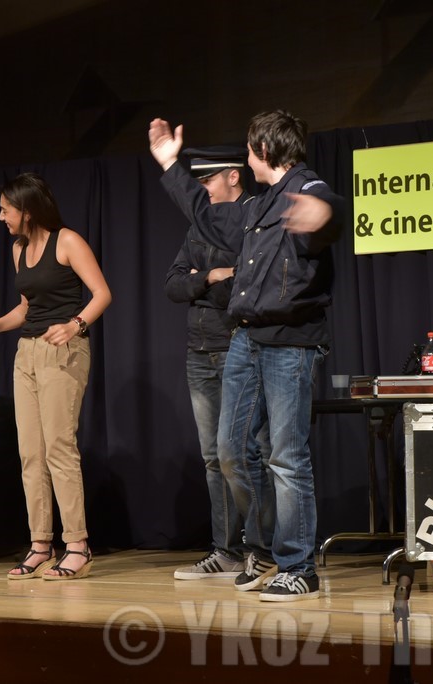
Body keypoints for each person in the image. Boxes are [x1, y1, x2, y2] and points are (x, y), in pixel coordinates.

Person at [150, 111, 343, 601]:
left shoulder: (306, 188)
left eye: (250, 148)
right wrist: (171, 165)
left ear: (265, 149)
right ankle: (262, 550)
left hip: (290, 342)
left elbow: (332, 207)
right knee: (233, 452)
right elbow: (205, 213)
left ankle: (298, 565)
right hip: (246, 339)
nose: (247, 154)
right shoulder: (258, 206)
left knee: (286, 456)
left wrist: (325, 216)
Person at [0, 172, 112, 581]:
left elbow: (102, 293)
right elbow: (26, 308)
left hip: (64, 351)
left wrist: (75, 325)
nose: (1, 217)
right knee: (30, 454)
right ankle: (40, 544)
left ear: (27, 210)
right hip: (27, 353)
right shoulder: (19, 250)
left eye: (6, 210)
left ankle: (77, 545)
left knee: (59, 447)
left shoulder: (67, 241)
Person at [164, 146, 256, 581]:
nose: (201, 190)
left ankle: (261, 547)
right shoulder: (198, 229)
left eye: (207, 180)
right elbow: (173, 285)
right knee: (211, 458)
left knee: (240, 454)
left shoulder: (252, 218)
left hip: (238, 347)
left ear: (233, 177)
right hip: (198, 353)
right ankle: (227, 551)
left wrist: (213, 282)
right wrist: (209, 276)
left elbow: (238, 290)